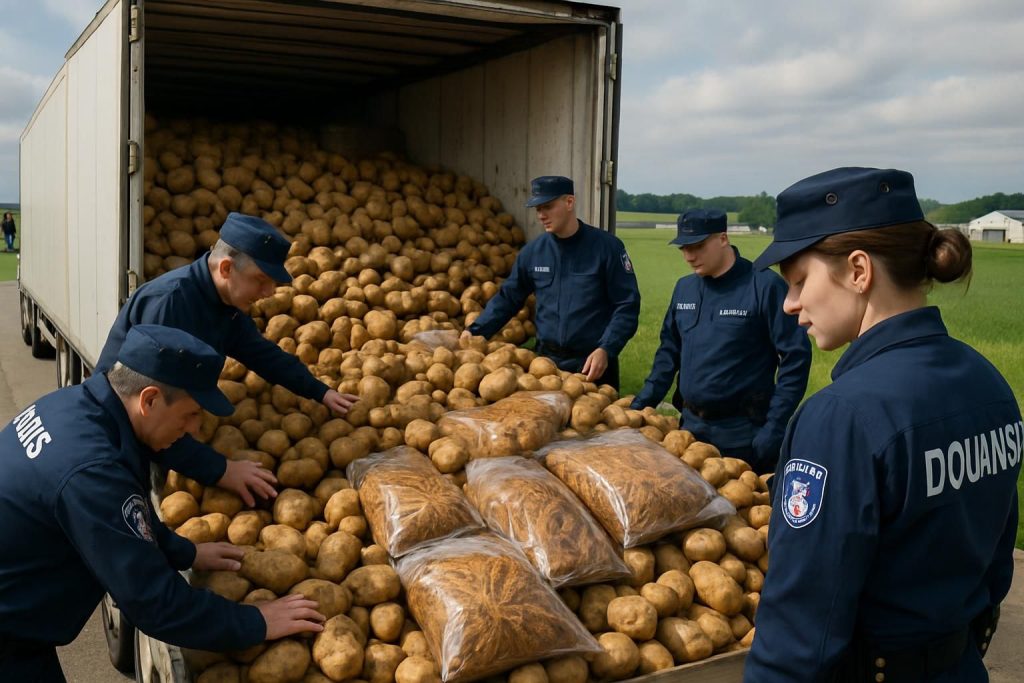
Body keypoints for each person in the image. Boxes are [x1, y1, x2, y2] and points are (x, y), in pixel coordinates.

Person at [744, 167, 1021, 682]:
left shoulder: (842, 418)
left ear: (857, 270)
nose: (790, 304)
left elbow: (800, 628)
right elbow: (997, 564)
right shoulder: (989, 385)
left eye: (801, 281)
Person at [0, 325, 325, 682]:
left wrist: (185, 552)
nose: (195, 431)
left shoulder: (76, 406)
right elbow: (153, 603)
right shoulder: (91, 470)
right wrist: (258, 621)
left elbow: (122, 515)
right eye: (190, 414)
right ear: (150, 400)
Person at [95, 212, 359, 506]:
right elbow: (154, 411)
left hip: (161, 421)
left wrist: (320, 391)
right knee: (137, 506)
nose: (269, 292)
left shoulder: (224, 304)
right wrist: (222, 470)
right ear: (226, 268)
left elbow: (261, 354)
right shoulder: (170, 304)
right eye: (260, 280)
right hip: (124, 434)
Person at [630, 209, 810, 473]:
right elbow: (668, 353)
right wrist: (639, 407)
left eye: (698, 246)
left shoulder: (764, 286)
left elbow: (796, 357)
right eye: (683, 248)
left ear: (723, 238)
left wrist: (774, 427)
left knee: (742, 511)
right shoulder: (685, 289)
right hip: (689, 429)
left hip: (743, 433)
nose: (689, 256)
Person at [463, 176, 640, 389]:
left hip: (594, 365)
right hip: (546, 367)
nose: (541, 215)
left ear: (569, 202)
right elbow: (508, 298)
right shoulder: (533, 253)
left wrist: (606, 349)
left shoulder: (607, 248)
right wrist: (475, 331)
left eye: (547, 207)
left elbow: (627, 305)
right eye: (537, 209)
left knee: (595, 422)